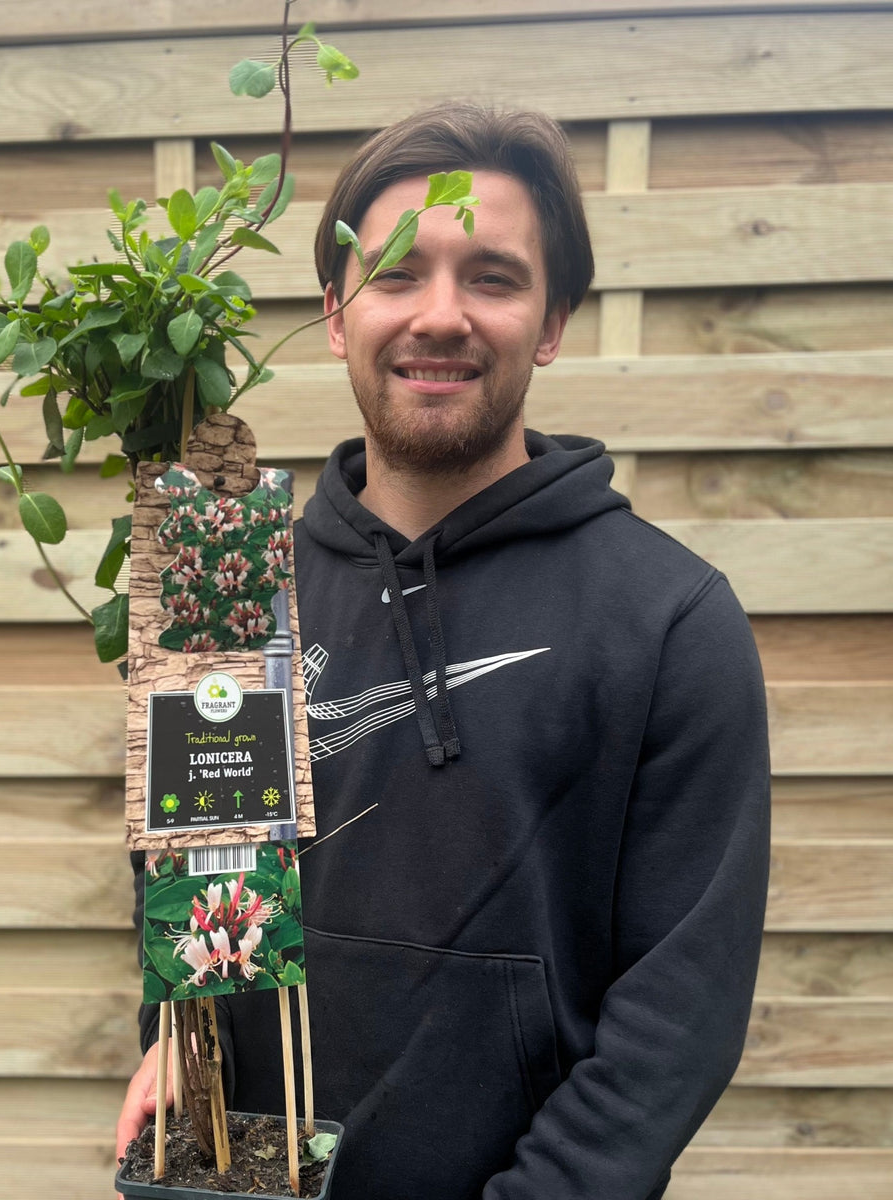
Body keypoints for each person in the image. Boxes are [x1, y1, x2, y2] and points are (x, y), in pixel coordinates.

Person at [117, 105, 770, 1200]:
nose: (442, 315)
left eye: (495, 278)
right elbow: (188, 868)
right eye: (397, 273)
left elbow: (678, 1013)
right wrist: (174, 1033)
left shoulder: (671, 620)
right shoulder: (225, 590)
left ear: (553, 321)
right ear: (335, 311)